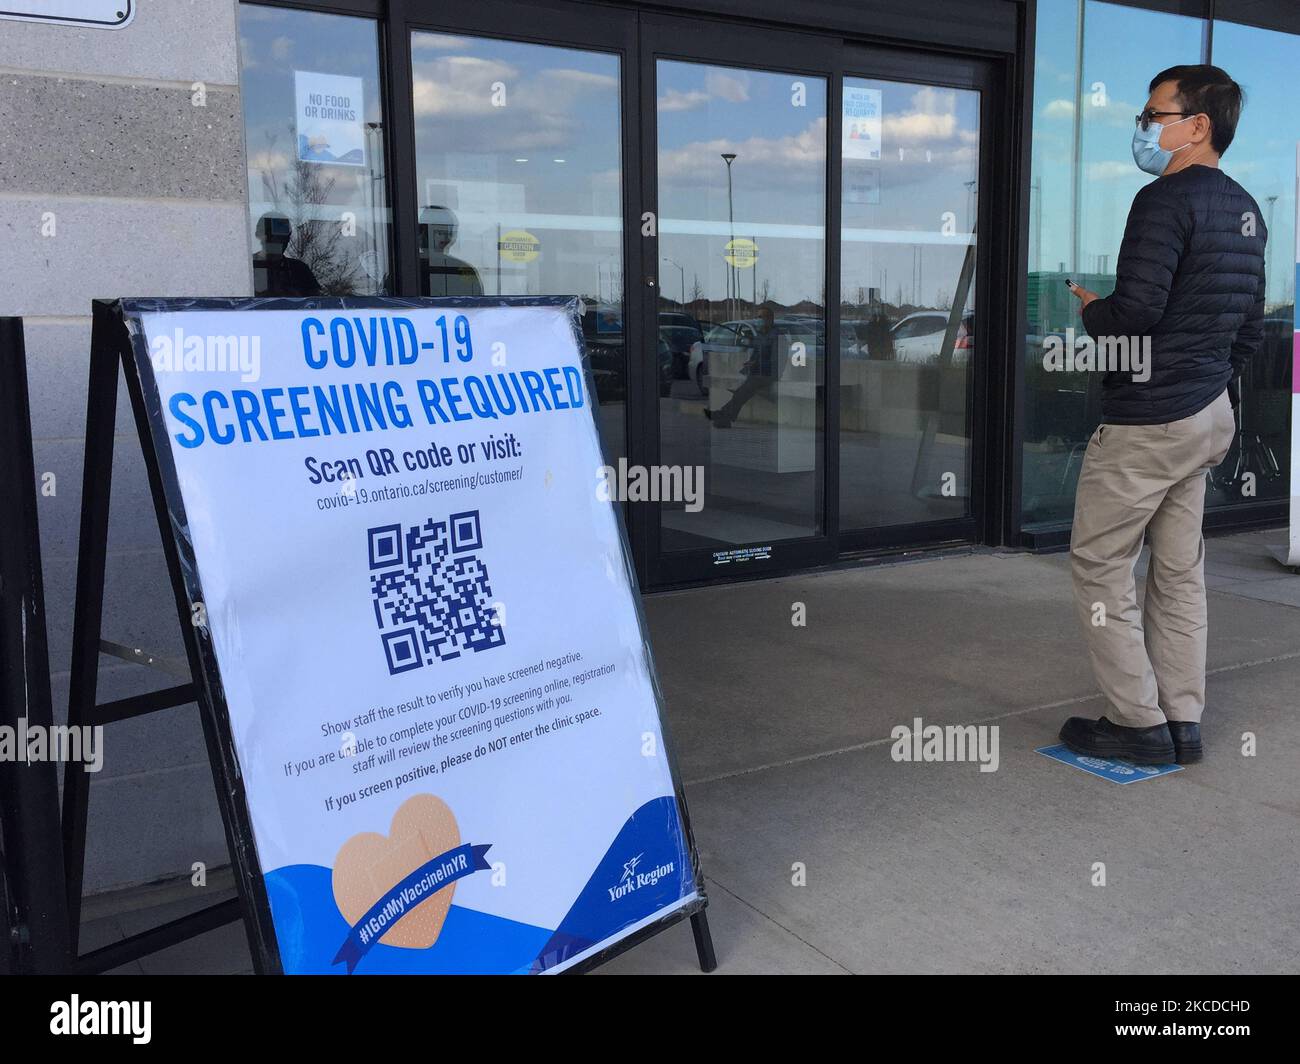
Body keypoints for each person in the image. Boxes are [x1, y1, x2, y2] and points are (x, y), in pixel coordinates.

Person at [1060, 65, 1266, 766]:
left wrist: (1093, 311)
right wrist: (1212, 386)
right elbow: (1249, 326)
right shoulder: (1246, 211)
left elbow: (1138, 313)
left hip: (1150, 418)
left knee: (1100, 563)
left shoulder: (1163, 200)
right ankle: (1183, 719)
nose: (1145, 128)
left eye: (1154, 114)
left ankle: (1137, 723)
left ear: (1197, 125)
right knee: (1179, 571)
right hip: (1205, 413)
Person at [705, 307, 780, 428]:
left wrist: (755, 364)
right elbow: (756, 355)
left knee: (747, 387)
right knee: (738, 386)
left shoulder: (776, 336)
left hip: (768, 373)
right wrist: (750, 363)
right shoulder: (760, 335)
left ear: (770, 319)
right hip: (757, 371)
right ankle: (723, 418)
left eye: (761, 317)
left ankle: (722, 414)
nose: (758, 320)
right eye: (758, 317)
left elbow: (776, 361)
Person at [251, 212, 321, 297]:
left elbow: (317, 304)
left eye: (284, 234)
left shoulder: (300, 270)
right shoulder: (248, 267)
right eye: (271, 234)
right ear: (259, 234)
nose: (278, 239)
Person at [418, 205, 483, 297]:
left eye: (449, 233)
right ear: (423, 233)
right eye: (440, 232)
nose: (446, 238)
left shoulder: (462, 269)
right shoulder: (407, 269)